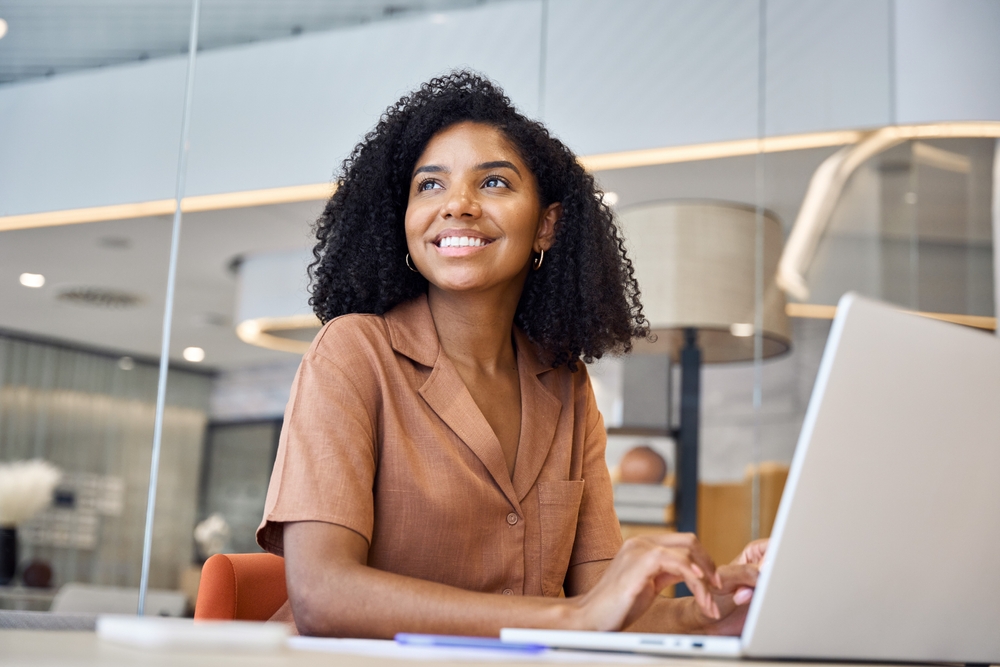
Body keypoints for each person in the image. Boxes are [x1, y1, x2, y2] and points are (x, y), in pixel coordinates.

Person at [256, 70, 765, 638]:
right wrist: (567, 616)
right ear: (400, 223)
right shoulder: (354, 354)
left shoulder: (566, 385)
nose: (458, 205)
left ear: (546, 225)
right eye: (429, 186)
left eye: (493, 183)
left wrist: (722, 603)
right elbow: (323, 595)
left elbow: (605, 608)